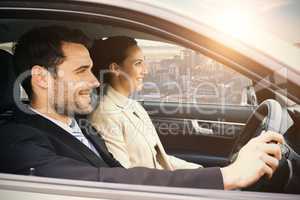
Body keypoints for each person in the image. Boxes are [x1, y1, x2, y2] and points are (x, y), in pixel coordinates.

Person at [0, 26, 284, 191]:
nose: (93, 81)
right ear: (40, 78)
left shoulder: (77, 124)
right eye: (82, 70)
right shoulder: (16, 140)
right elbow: (108, 181)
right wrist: (227, 176)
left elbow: (120, 170)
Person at [88, 36, 201, 170]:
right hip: (150, 188)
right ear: (115, 68)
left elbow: (161, 159)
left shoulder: (134, 106)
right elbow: (123, 175)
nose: (145, 70)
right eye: (138, 63)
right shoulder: (105, 114)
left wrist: (199, 170)